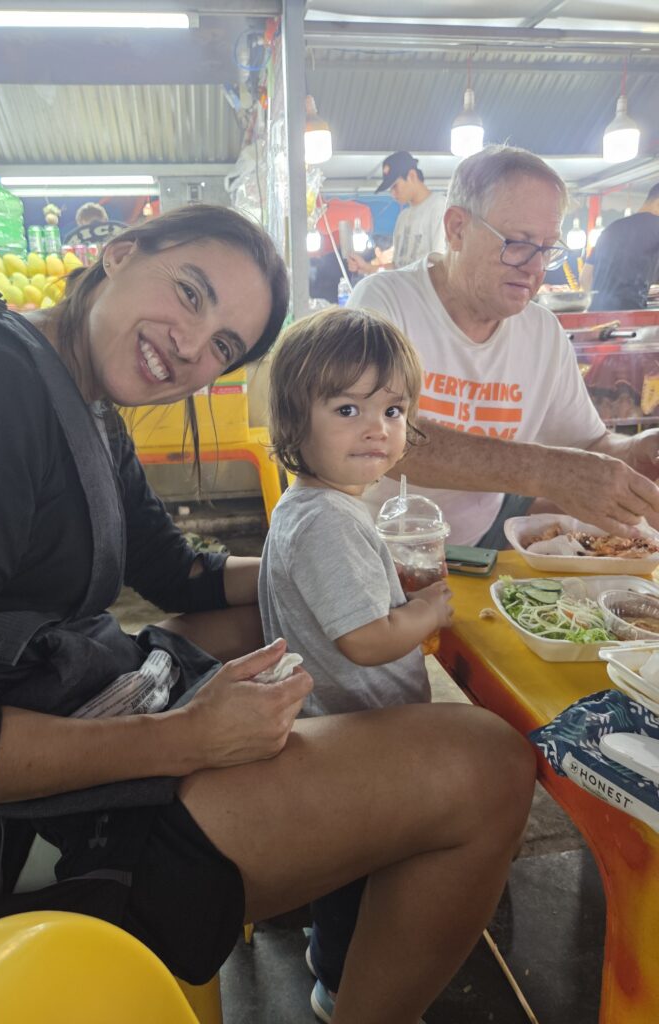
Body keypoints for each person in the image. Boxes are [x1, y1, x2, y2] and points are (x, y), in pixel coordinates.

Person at [0, 203, 536, 1024]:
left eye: (226, 344)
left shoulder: (75, 395)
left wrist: (331, 567)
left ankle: (330, 863)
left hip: (61, 696)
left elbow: (178, 574)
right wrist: (183, 740)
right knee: (489, 764)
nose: (195, 347)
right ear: (120, 253)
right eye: (192, 293)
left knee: (264, 618)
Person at [260, 306, 455, 1021]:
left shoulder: (317, 504)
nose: (378, 427)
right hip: (355, 730)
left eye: (394, 409)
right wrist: (426, 613)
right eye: (348, 407)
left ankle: (325, 949)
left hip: (336, 721)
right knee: (363, 863)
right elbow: (365, 640)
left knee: (343, 862)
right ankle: (343, 983)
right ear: (293, 422)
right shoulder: (328, 522)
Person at [349, 145, 659, 548]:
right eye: (518, 242)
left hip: (480, 543)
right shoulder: (385, 303)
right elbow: (377, 435)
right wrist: (549, 471)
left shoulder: (542, 332)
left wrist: (639, 450)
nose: (535, 267)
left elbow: (589, 445)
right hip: (374, 550)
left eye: (547, 248)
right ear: (457, 228)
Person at [347, 152, 446, 276]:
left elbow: (440, 265)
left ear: (412, 176)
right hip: (404, 293)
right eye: (391, 189)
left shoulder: (439, 207)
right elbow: (397, 267)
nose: (393, 194)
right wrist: (367, 268)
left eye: (395, 186)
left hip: (426, 293)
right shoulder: (403, 217)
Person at [581, 184, 659, 311]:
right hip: (630, 316)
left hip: (595, 315)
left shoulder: (611, 228)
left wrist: (599, 306)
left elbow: (585, 277)